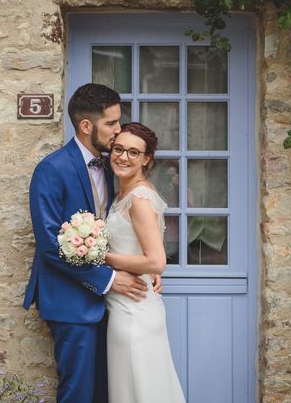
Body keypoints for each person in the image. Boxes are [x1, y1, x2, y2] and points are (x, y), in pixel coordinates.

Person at [23, 84, 159, 403]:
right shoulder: (51, 170)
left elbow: (122, 227)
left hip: (113, 307)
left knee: (105, 392)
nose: (118, 131)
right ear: (87, 126)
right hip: (71, 302)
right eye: (111, 124)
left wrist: (149, 264)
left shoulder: (113, 168)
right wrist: (110, 280)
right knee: (78, 393)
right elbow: (50, 244)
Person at [105, 122, 185, 403]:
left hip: (135, 314)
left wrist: (103, 258)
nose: (123, 157)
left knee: (142, 391)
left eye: (133, 153)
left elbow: (156, 261)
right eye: (118, 149)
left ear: (146, 159)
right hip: (125, 305)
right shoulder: (121, 194)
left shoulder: (139, 197)